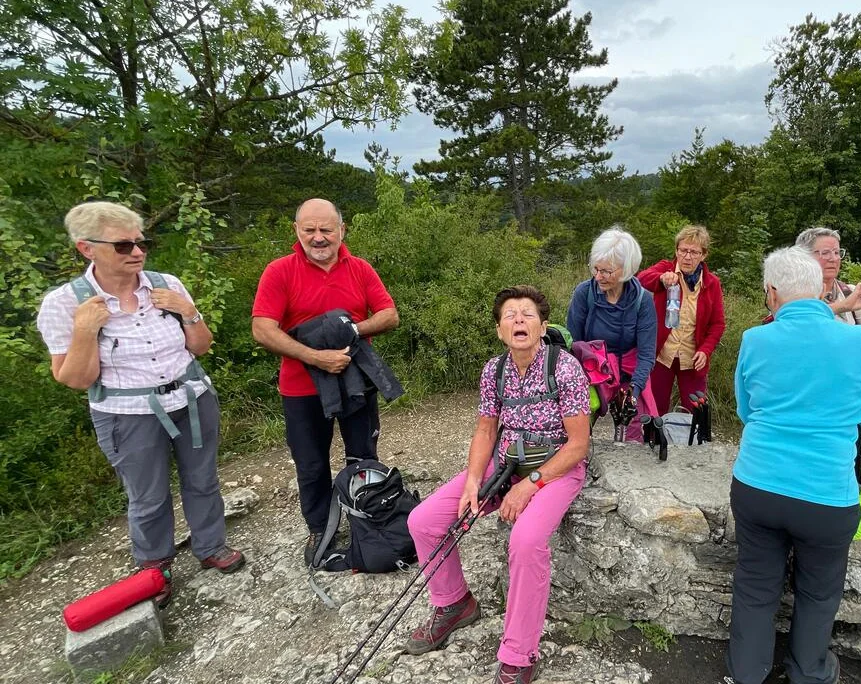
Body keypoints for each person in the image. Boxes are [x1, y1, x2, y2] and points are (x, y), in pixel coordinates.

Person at [36, 201, 244, 608]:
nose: (137, 251)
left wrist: (188, 311)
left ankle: (211, 545)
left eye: (142, 242)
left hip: (191, 397)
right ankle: (155, 566)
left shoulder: (165, 285)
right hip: (126, 414)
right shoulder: (66, 303)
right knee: (147, 495)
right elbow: (75, 379)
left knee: (203, 479)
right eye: (123, 245)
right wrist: (84, 332)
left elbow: (200, 346)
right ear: (87, 248)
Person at [404, 285, 591, 684]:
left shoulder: (564, 368)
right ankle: (454, 603)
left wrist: (531, 484)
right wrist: (473, 482)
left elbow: (578, 445)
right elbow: (486, 429)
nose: (519, 319)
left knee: (525, 541)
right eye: (510, 315)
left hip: (555, 467)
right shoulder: (495, 370)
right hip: (504, 464)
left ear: (543, 326)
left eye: (527, 314)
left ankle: (519, 653)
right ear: (499, 330)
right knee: (423, 520)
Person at [728, 247, 861, 684]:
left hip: (757, 486)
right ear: (822, 289)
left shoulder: (755, 339)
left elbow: (747, 413)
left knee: (754, 585)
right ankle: (809, 672)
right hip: (827, 495)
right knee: (818, 594)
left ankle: (747, 672)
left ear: (772, 293)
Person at [251, 198, 400, 561]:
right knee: (311, 462)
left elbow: (389, 314)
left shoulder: (360, 268)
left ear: (341, 230)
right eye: (310, 230)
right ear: (297, 231)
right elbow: (262, 328)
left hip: (357, 380)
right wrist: (315, 356)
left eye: (326, 230)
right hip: (302, 388)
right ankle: (320, 528)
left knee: (363, 454)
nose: (318, 238)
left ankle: (369, 516)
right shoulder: (279, 271)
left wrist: (349, 331)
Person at [566, 226, 658, 441]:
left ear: (626, 270)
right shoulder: (584, 293)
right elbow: (573, 345)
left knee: (633, 429)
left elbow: (646, 354)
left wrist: (633, 393)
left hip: (629, 369)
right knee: (579, 425)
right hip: (592, 368)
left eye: (606, 271)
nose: (598, 276)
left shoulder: (642, 301)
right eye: (595, 269)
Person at [636, 224, 726, 413]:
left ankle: (691, 443)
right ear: (676, 251)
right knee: (654, 411)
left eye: (694, 252)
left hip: (693, 358)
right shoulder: (666, 268)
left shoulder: (712, 283)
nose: (687, 256)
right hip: (661, 354)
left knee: (695, 412)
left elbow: (718, 324)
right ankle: (652, 441)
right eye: (683, 250)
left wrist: (705, 350)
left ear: (703, 255)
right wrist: (661, 279)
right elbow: (642, 278)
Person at [793, 227, 861, 339]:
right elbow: (794, 322)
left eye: (837, 252)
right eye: (825, 253)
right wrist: (844, 306)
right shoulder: (789, 293)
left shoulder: (849, 291)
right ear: (804, 257)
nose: (834, 258)